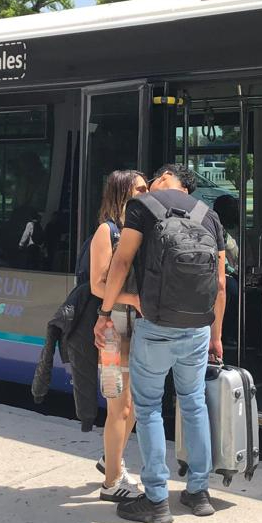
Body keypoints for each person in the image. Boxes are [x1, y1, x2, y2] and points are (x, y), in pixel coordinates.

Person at [95, 163, 227, 523]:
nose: (150, 183)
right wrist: (216, 335)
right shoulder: (208, 215)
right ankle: (198, 493)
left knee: (150, 407)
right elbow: (219, 285)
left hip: (155, 326)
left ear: (166, 179)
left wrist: (106, 312)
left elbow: (122, 262)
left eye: (155, 178)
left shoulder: (145, 207)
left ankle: (155, 499)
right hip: (198, 329)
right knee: (193, 403)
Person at [89, 170, 149, 503]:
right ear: (123, 191)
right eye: (140, 187)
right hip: (112, 330)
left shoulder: (138, 230)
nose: (146, 191)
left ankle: (112, 458)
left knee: (136, 405)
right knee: (119, 406)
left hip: (137, 328)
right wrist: (132, 299)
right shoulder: (107, 231)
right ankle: (112, 482)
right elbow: (98, 284)